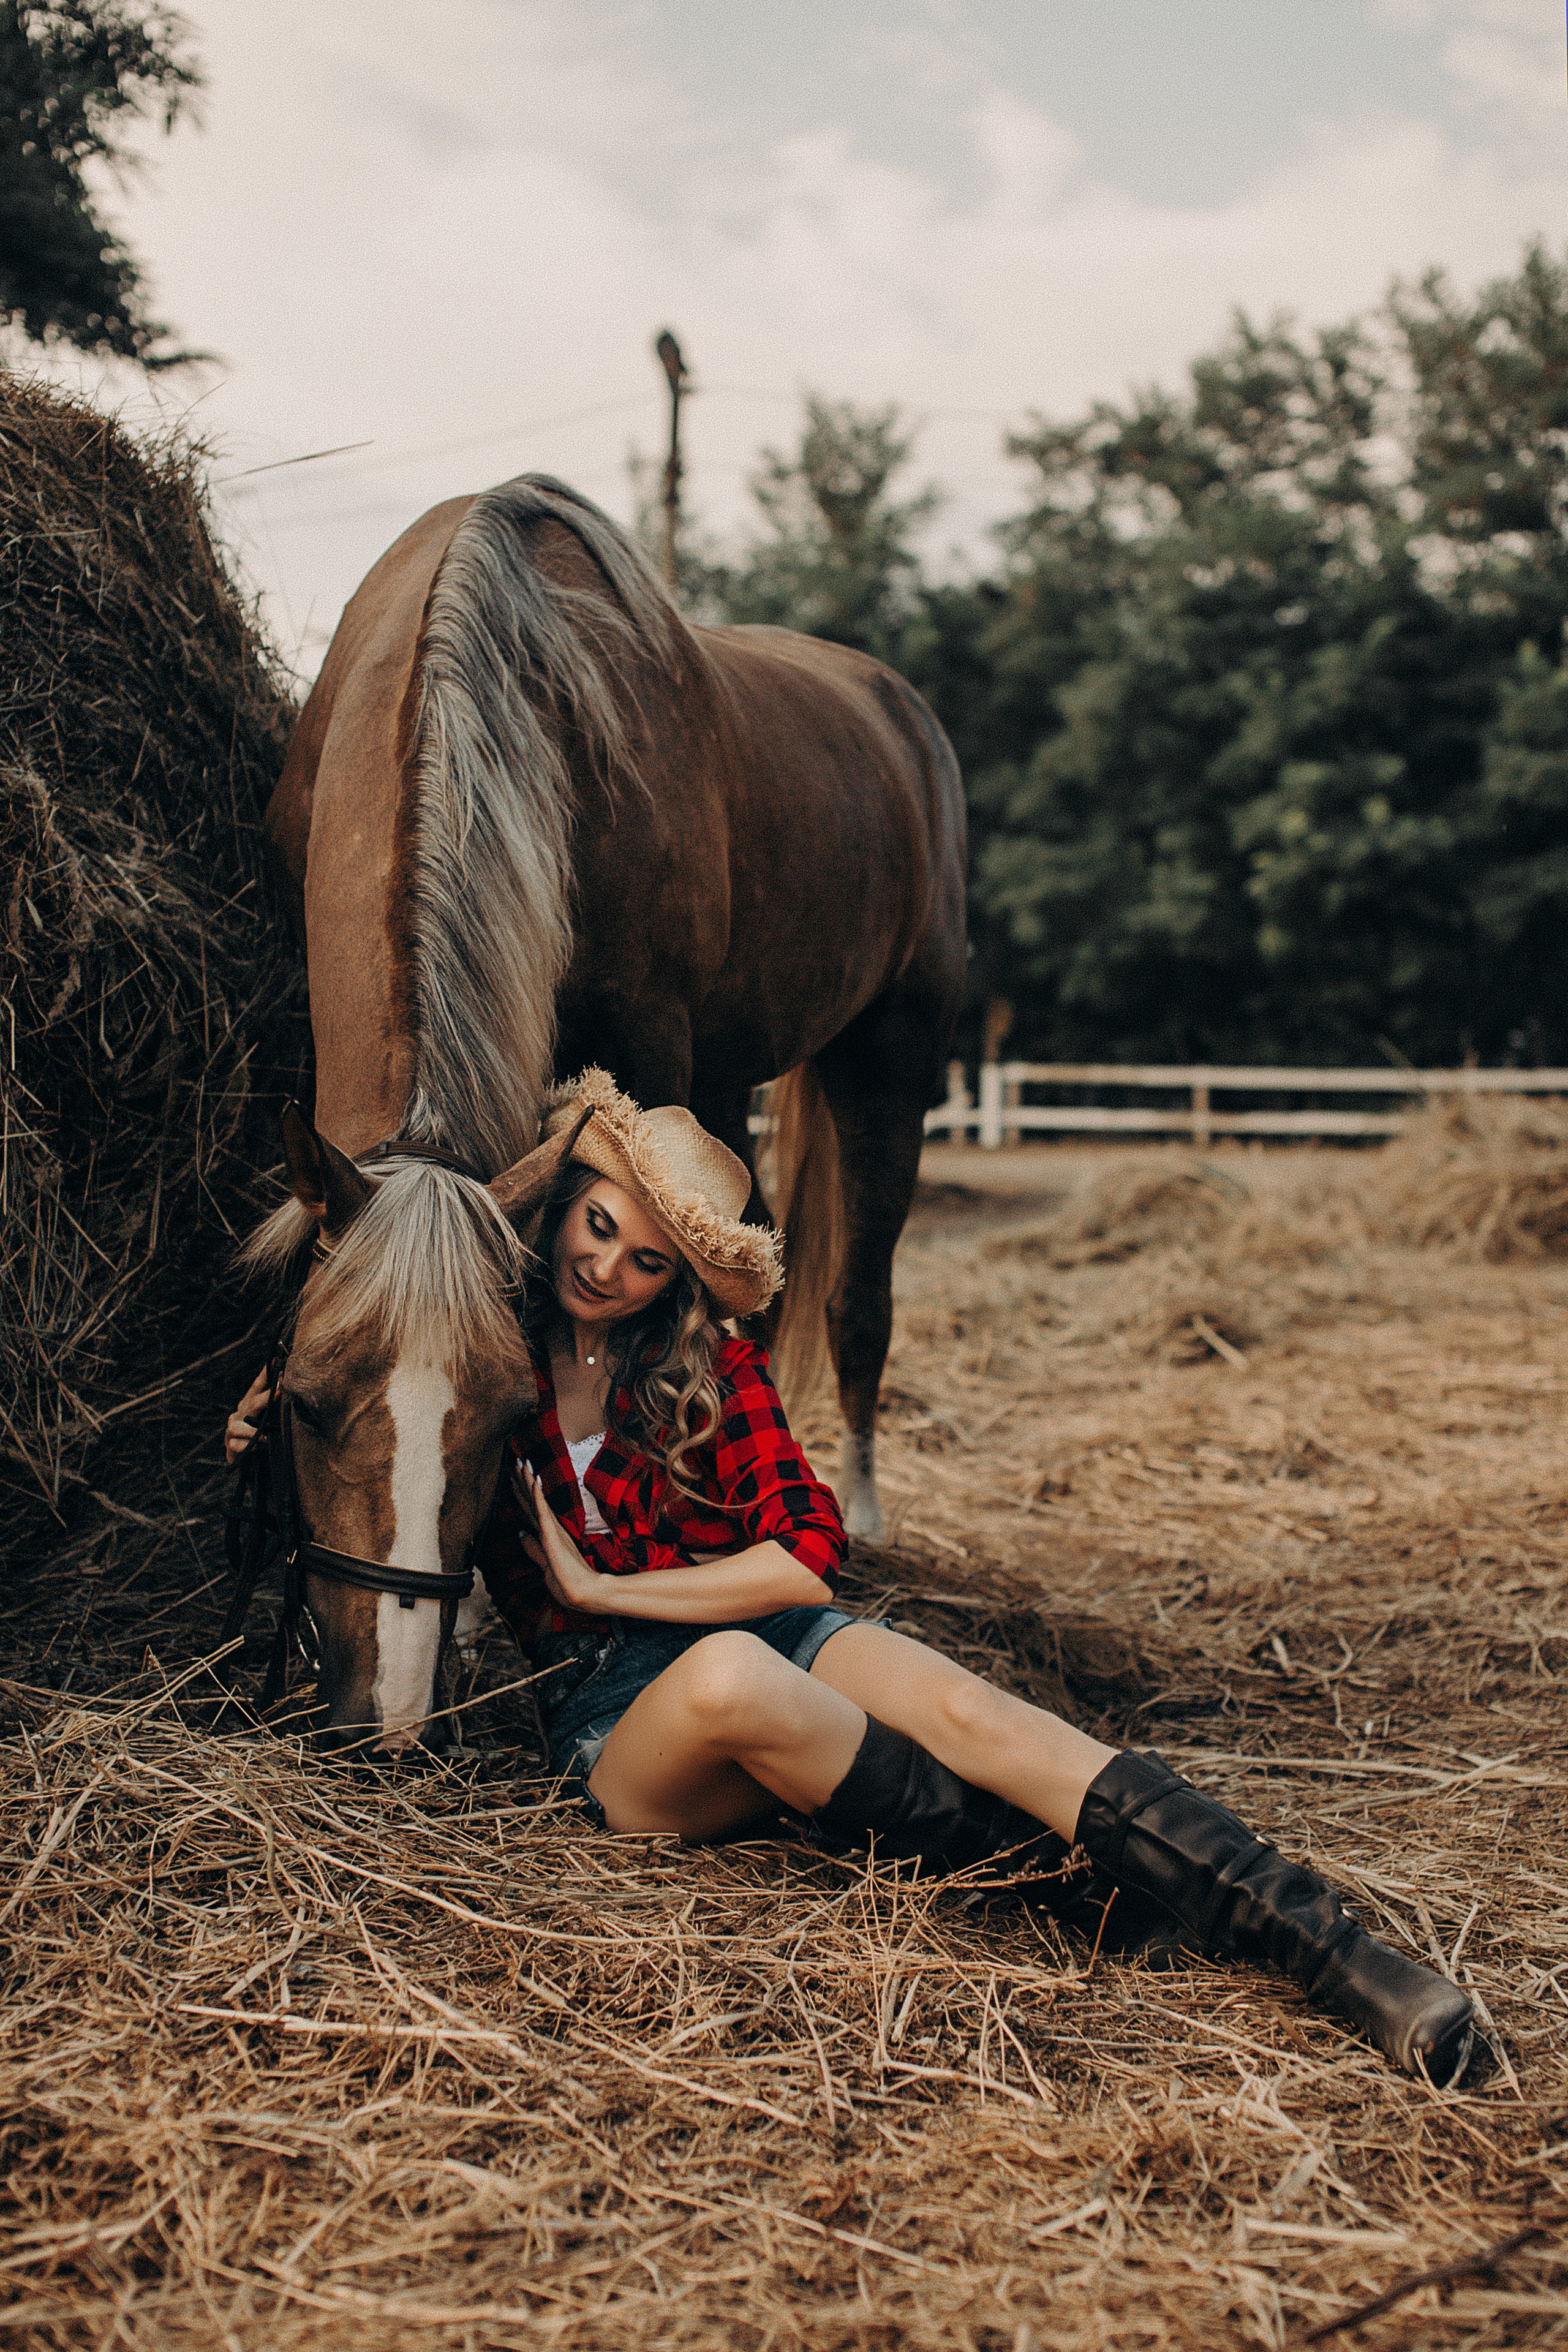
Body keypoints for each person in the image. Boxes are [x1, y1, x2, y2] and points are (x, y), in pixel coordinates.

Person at [228, 1072, 1475, 2087]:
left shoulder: (717, 1375)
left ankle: (1333, 1957)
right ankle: (1094, 1895)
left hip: (770, 1629)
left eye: (649, 1259)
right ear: (563, 1207)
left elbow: (798, 1561)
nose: (607, 1267)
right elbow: (372, 1376)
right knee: (731, 1679)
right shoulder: (489, 1346)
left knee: (977, 1713)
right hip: (618, 1722)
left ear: (680, 1282)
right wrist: (266, 1403)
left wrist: (604, 1585)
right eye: (597, 1224)